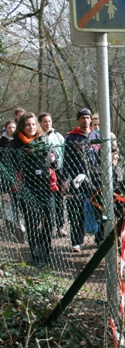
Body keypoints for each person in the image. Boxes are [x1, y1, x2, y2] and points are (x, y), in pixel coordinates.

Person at [8, 112, 59, 266]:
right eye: (27, 124)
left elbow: (56, 161)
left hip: (45, 187)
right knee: (32, 222)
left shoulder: (43, 140)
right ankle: (37, 256)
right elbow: (10, 168)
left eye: (33, 124)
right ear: (21, 126)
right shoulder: (15, 145)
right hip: (26, 189)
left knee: (49, 221)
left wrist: (53, 159)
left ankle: (46, 251)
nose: (31, 127)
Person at [60, 108, 101, 252]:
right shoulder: (72, 138)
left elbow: (102, 157)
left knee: (99, 208)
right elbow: (66, 160)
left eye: (88, 118)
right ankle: (76, 241)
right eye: (82, 117)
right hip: (76, 179)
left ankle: (100, 238)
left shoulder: (96, 136)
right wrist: (65, 179)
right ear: (78, 120)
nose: (86, 120)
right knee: (75, 211)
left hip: (94, 179)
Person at [38, 113, 67, 238]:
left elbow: (65, 153)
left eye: (49, 121)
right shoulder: (37, 137)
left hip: (58, 170)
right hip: (43, 172)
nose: (47, 124)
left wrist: (65, 173)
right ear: (40, 123)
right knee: (45, 199)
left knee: (59, 200)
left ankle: (60, 226)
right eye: (44, 121)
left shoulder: (58, 136)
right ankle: (46, 224)